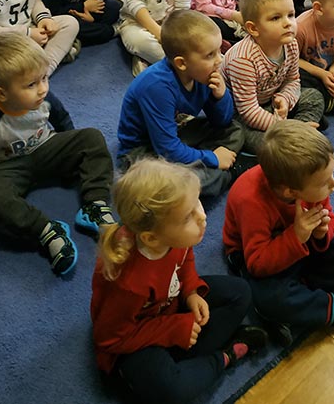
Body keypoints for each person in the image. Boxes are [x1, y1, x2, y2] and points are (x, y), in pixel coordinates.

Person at [90, 159, 267, 404]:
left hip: (169, 305)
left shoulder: (171, 238)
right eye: (187, 217)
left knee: (240, 292)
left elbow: (185, 259)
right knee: (172, 391)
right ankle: (225, 357)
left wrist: (191, 291)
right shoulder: (128, 283)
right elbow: (110, 338)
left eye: (197, 203)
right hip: (134, 339)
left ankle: (183, 356)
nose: (202, 217)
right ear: (151, 238)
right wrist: (174, 329)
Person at [0, 33, 115, 276]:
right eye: (31, 85)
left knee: (91, 137)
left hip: (45, 148)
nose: (42, 89)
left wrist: (69, 153)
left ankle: (94, 205)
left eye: (44, 78)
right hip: (8, 168)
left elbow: (63, 121)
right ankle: (46, 231)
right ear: (1, 93)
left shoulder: (45, 98)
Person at [223, 123, 334, 338]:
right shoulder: (250, 200)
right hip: (254, 254)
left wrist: (321, 234)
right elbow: (257, 264)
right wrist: (296, 236)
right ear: (291, 192)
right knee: (270, 299)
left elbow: (329, 217)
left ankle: (296, 299)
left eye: (332, 174)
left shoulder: (309, 184)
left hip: (298, 242)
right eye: (325, 182)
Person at [117, 11, 245, 197]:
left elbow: (222, 122)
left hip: (177, 131)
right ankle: (229, 171)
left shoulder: (203, 73)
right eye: (210, 54)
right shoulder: (156, 87)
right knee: (166, 187)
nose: (220, 60)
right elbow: (168, 151)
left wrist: (220, 96)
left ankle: (211, 165)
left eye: (219, 51)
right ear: (182, 63)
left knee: (235, 130)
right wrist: (213, 158)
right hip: (142, 150)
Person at [221, 0, 326, 153]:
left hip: (270, 103)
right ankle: (297, 134)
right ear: (253, 28)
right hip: (241, 113)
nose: (288, 23)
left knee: (314, 97)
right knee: (249, 138)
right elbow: (248, 111)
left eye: (291, 15)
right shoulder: (243, 60)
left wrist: (285, 99)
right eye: (276, 18)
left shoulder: (290, 44)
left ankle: (295, 136)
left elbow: (293, 80)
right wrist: (284, 126)